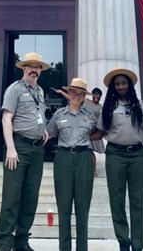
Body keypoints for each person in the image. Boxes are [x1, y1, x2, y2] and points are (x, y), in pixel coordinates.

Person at [91, 67, 143, 251]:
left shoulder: (140, 104)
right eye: (117, 84)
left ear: (129, 85)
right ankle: (124, 240)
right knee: (117, 200)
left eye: (124, 83)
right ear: (113, 87)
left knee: (138, 200)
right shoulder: (107, 107)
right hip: (115, 155)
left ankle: (138, 244)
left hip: (138, 155)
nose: (121, 86)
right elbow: (99, 133)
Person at [0, 52, 49, 251]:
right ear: (23, 68)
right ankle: (5, 242)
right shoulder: (14, 89)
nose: (34, 70)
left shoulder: (40, 91)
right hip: (18, 147)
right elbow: (6, 119)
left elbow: (36, 114)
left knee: (30, 197)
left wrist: (42, 129)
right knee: (12, 196)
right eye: (31, 66)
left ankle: (21, 240)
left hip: (37, 150)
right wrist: (10, 148)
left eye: (37, 67)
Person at [46, 77, 96, 251]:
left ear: (83, 97)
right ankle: (64, 248)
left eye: (80, 93)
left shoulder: (90, 116)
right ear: (69, 93)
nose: (76, 96)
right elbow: (47, 134)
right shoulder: (59, 115)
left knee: (83, 208)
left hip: (84, 159)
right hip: (63, 159)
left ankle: (82, 248)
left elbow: (98, 134)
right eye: (73, 92)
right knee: (64, 207)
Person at [84, 87, 105, 156]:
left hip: (93, 131)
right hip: (83, 129)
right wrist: (61, 92)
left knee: (90, 151)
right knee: (85, 150)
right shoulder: (86, 101)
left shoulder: (101, 107)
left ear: (100, 96)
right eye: (95, 94)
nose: (96, 96)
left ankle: (92, 165)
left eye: (98, 95)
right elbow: (72, 99)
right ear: (92, 95)